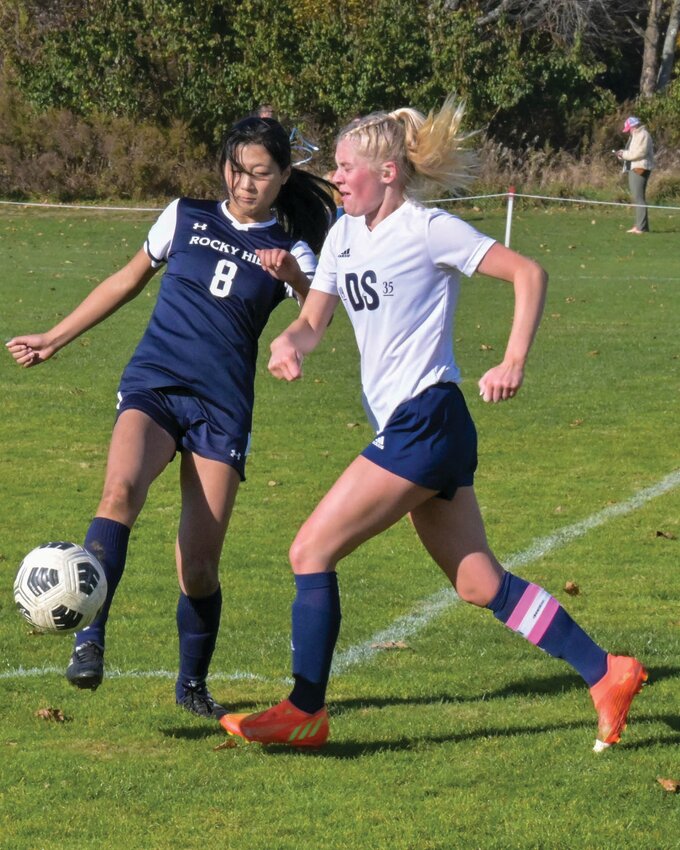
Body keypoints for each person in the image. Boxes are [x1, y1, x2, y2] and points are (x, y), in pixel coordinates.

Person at [220, 98, 647, 750]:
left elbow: (528, 273)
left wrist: (512, 360)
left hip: (426, 420)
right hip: (423, 428)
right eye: (334, 167)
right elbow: (313, 321)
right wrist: (290, 344)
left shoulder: (427, 229)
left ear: (388, 172)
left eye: (345, 167)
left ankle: (305, 709)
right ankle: (606, 672)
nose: (334, 177)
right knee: (480, 583)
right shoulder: (340, 234)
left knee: (310, 549)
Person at [6, 116, 336, 718]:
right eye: (237, 170)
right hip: (154, 384)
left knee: (198, 565)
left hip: (222, 408)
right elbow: (127, 280)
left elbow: (317, 316)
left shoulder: (295, 251)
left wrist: (293, 281)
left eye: (261, 174)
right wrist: (57, 337)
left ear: (285, 177)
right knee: (118, 493)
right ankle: (88, 637)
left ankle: (191, 685)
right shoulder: (184, 215)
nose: (246, 184)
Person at [616, 116, 654, 234]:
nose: (629, 131)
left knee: (639, 197)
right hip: (634, 167)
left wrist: (624, 155)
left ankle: (641, 227)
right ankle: (640, 225)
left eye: (629, 129)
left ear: (633, 126)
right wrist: (622, 153)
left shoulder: (643, 135)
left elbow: (639, 153)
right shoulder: (635, 136)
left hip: (640, 168)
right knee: (637, 197)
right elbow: (632, 152)